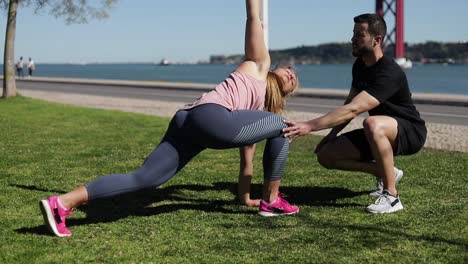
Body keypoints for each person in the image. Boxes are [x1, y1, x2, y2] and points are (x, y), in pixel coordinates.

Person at [40, 0, 300, 237]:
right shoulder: (259, 64)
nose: (291, 75)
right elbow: (254, 16)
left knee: (145, 179)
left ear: (287, 93)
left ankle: (61, 203)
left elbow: (248, 161)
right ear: (276, 68)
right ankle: (272, 201)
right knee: (284, 127)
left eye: (295, 81)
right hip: (209, 117)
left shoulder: (257, 120)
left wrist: (244, 198)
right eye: (289, 70)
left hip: (187, 121)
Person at [283, 13, 426, 214]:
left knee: (372, 123)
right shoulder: (360, 66)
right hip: (378, 132)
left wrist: (309, 126)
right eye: (353, 34)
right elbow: (349, 104)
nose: (353, 39)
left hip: (410, 132)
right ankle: (387, 172)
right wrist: (330, 136)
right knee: (326, 155)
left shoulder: (389, 72)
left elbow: (354, 109)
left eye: (359, 35)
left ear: (376, 40)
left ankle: (392, 197)